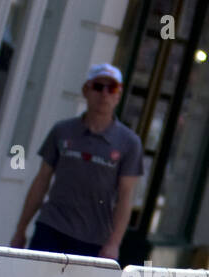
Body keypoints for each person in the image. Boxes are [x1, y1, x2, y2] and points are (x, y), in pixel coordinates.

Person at [11, 64, 143, 260]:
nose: (104, 94)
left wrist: (114, 243)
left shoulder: (129, 142)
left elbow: (125, 197)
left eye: (112, 89)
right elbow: (42, 180)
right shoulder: (62, 131)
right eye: (98, 87)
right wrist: (20, 229)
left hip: (94, 239)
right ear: (86, 90)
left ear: (118, 95)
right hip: (52, 227)